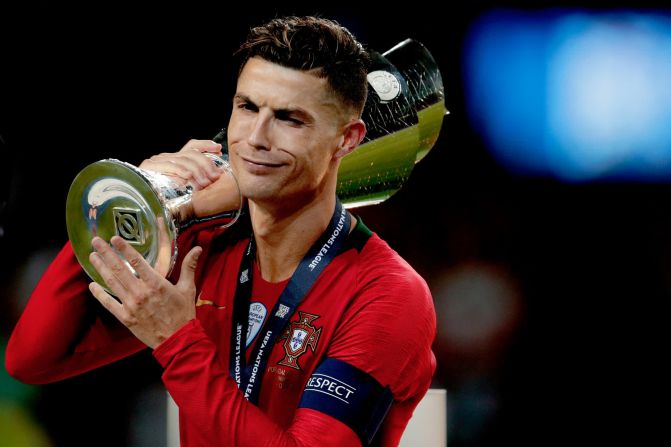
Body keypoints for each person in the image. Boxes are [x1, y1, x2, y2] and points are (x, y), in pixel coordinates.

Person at [6, 16, 437, 446]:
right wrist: (136, 199)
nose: (256, 137)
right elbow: (33, 359)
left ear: (348, 140)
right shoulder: (206, 251)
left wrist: (177, 342)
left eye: (289, 119)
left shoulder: (388, 294)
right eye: (247, 107)